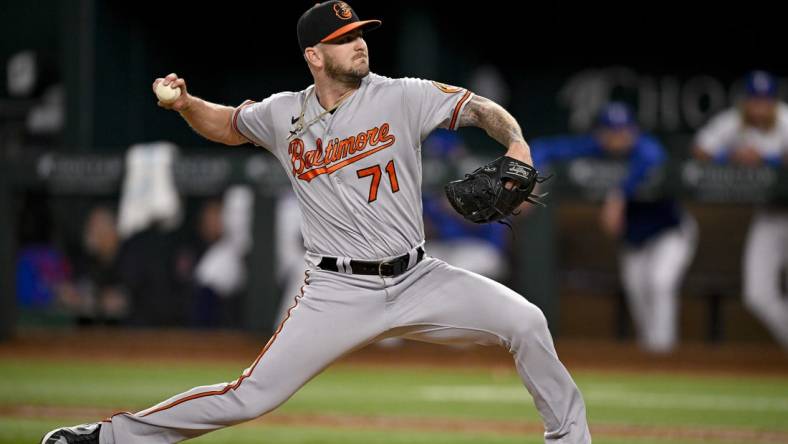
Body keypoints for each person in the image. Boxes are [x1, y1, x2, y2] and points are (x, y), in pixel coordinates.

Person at [42, 2, 590, 443]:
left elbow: (480, 110)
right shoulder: (284, 113)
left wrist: (516, 141)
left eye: (361, 33)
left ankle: (570, 439)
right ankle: (108, 438)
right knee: (249, 396)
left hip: (419, 278)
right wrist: (186, 103)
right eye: (345, 37)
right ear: (315, 55)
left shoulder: (403, 95)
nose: (360, 43)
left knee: (527, 323)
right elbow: (229, 125)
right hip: (337, 289)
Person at [531, 102, 698, 353]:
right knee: (637, 293)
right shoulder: (595, 147)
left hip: (669, 233)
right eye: (612, 132)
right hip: (634, 239)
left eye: (624, 131)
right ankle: (651, 354)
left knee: (660, 283)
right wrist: (533, 173)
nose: (619, 138)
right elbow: (543, 148)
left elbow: (654, 158)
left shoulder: (646, 148)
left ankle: (664, 355)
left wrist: (620, 193)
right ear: (601, 133)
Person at [692, 70, 788, 350]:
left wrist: (768, 159)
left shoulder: (785, 119)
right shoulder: (734, 122)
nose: (759, 108)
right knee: (757, 294)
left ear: (773, 101)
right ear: (745, 102)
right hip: (769, 215)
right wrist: (728, 156)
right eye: (754, 101)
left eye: (765, 101)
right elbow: (699, 149)